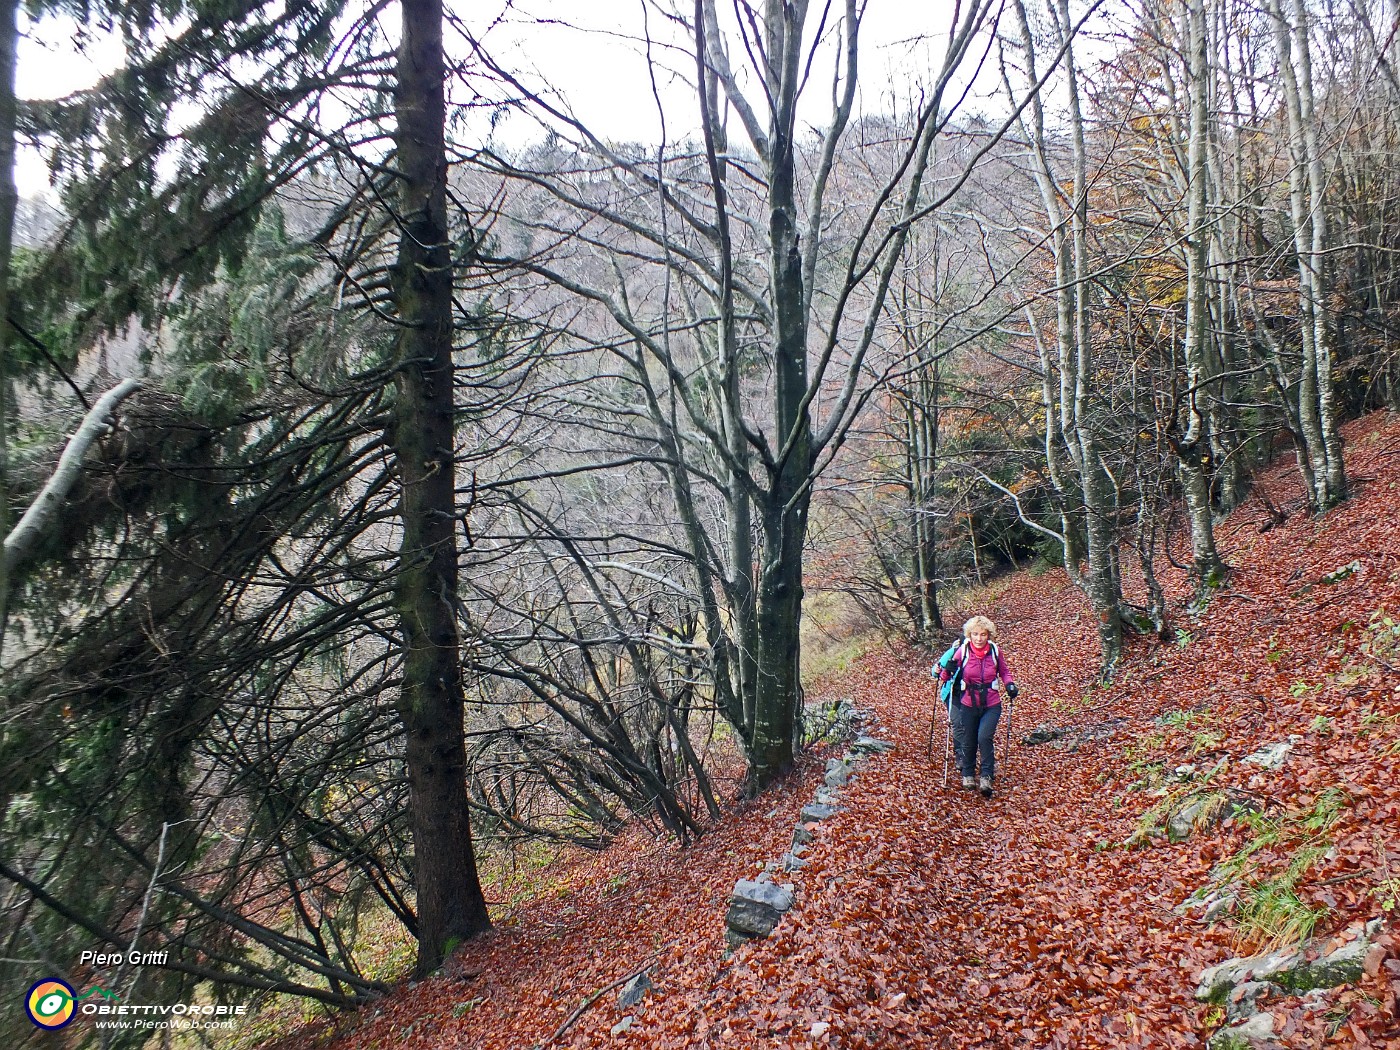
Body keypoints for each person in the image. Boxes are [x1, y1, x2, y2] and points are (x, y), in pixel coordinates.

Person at [936, 615, 1018, 797]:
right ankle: (968, 773)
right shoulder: (963, 651)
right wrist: (946, 670)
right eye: (975, 634)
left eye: (983, 634)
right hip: (968, 702)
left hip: (991, 703)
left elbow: (1004, 671)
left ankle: (987, 776)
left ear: (989, 635)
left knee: (984, 737)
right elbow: (945, 675)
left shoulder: (995, 651)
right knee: (969, 739)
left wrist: (1010, 684)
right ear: (969, 635)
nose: (979, 638)